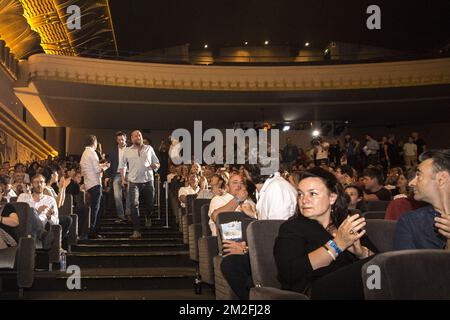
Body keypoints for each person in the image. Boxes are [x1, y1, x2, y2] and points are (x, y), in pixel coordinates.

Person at [274, 167, 377, 299]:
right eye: (300, 194)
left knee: (380, 269)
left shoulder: (345, 225)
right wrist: (337, 244)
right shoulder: (291, 228)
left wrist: (362, 253)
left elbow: (380, 262)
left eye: (312, 194)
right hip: (314, 291)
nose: (304, 200)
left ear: (332, 198)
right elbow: (289, 273)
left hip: (352, 290)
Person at [394, 150, 450, 249]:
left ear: (441, 179)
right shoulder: (410, 222)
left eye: (419, 175)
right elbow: (404, 263)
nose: (411, 183)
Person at [119, 130, 160, 239]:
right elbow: (122, 166)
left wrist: (155, 165)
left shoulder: (149, 148)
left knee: (150, 204)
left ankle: (148, 216)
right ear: (131, 139)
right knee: (134, 204)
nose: (138, 137)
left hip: (148, 181)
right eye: (135, 136)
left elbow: (157, 162)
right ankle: (136, 230)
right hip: (133, 182)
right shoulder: (127, 151)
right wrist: (123, 179)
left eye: (139, 135)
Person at [80, 135, 110, 239]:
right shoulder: (92, 152)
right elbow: (97, 170)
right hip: (95, 184)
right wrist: (106, 166)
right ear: (95, 143)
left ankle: (95, 228)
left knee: (100, 205)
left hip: (89, 183)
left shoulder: (85, 153)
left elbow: (89, 169)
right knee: (95, 208)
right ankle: (92, 231)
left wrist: (102, 166)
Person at [106, 131, 130, 224]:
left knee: (129, 195)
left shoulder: (130, 149)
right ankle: (121, 216)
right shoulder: (113, 151)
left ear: (125, 139)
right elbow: (109, 164)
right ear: (117, 140)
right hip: (116, 174)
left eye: (122, 139)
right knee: (117, 196)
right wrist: (107, 176)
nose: (121, 141)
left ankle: (128, 214)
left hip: (128, 174)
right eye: (119, 140)